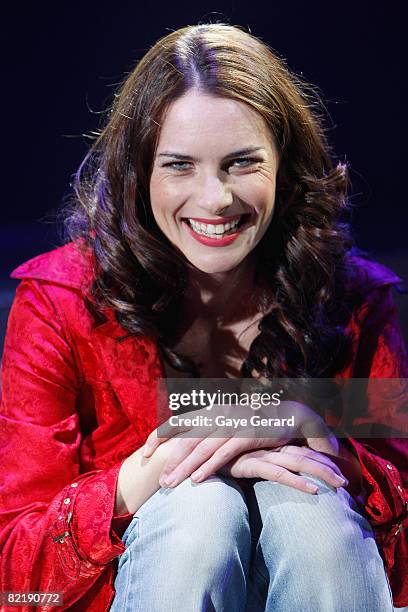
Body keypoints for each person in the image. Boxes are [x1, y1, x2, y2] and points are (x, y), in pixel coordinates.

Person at [0, 22, 407, 612]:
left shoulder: (355, 302)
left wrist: (335, 449)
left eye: (242, 163)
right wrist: (138, 482)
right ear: (139, 174)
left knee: (316, 514)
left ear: (285, 167)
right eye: (180, 166)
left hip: (326, 573)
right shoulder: (60, 304)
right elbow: (13, 581)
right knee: (198, 512)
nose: (215, 199)